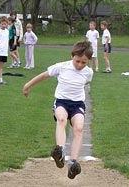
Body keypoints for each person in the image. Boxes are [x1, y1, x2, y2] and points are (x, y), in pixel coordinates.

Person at [23, 41, 93, 180]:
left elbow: (82, 84)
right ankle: (60, 152)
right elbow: (43, 76)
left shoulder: (88, 73)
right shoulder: (61, 67)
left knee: (79, 128)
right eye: (77, 61)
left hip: (78, 104)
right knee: (61, 119)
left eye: (83, 63)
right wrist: (27, 85)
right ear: (72, 56)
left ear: (88, 61)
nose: (80, 65)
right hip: (61, 101)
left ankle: (73, 164)